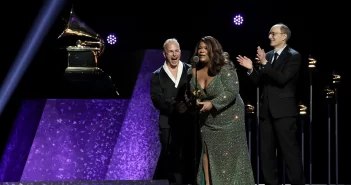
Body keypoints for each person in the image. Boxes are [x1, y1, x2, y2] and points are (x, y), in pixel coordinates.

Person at [237, 23, 305, 185]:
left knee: (290, 153)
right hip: (266, 112)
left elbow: (282, 79)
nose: (270, 37)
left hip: (284, 112)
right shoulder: (267, 55)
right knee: (266, 153)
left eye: (274, 34)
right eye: (269, 34)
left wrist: (265, 64)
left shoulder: (293, 56)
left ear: (284, 36)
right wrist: (252, 69)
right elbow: (260, 81)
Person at [185, 36, 254, 185]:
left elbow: (232, 91)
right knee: (207, 153)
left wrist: (212, 103)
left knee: (228, 159)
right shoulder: (193, 71)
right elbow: (189, 93)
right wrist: (193, 101)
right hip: (208, 122)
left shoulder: (224, 67)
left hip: (230, 121)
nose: (202, 50)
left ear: (213, 50)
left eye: (205, 48)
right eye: (200, 47)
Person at [150, 38, 192, 185]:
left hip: (189, 122)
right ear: (164, 54)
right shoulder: (157, 75)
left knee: (189, 157)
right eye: (170, 52)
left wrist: (187, 106)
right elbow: (156, 99)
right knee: (171, 160)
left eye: (176, 51)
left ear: (180, 52)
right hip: (167, 123)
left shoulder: (191, 70)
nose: (174, 55)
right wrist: (174, 107)